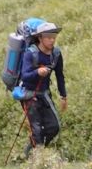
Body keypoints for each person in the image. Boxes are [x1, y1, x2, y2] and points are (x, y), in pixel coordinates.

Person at [14, 22, 68, 154]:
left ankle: (33, 149)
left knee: (54, 127)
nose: (51, 40)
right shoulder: (30, 54)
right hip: (29, 95)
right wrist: (37, 72)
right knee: (36, 130)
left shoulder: (56, 54)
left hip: (44, 94)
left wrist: (63, 96)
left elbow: (60, 75)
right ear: (40, 38)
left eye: (53, 37)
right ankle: (36, 157)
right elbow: (25, 76)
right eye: (48, 37)